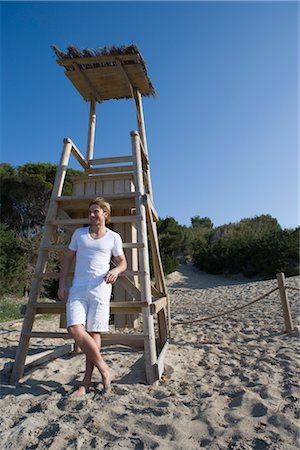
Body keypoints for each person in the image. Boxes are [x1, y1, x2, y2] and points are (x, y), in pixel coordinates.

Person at [58, 197, 127, 395]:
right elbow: (68, 258)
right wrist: (62, 283)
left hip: (100, 288)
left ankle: (86, 382)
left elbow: (123, 262)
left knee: (94, 333)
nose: (91, 215)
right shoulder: (79, 234)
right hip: (78, 288)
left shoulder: (113, 237)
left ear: (105, 214)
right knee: (74, 329)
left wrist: (116, 271)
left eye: (95, 211)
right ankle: (105, 370)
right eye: (90, 211)